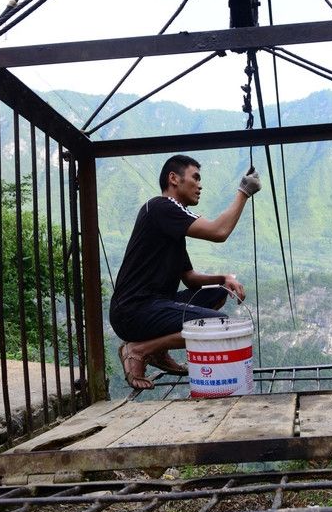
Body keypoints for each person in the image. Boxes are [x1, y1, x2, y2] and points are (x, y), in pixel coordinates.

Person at [110, 154, 261, 390]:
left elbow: (189, 278)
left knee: (217, 292)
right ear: (174, 179)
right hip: (134, 311)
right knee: (218, 324)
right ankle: (138, 350)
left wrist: (224, 279)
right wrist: (243, 191)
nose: (200, 185)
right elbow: (218, 231)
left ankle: (158, 349)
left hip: (155, 306)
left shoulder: (171, 223)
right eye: (196, 178)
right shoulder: (162, 207)